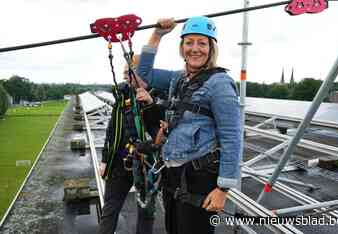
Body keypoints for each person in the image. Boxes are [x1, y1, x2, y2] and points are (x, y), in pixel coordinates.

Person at [136, 16, 241, 234]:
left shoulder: (220, 84)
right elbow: (142, 77)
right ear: (182, 47)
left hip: (199, 178)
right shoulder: (179, 79)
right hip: (173, 174)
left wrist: (223, 189)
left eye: (202, 43)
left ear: (211, 48)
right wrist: (157, 35)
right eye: (189, 42)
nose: (195, 49)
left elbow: (232, 137)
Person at [98, 55, 159, 234]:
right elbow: (112, 131)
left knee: (146, 212)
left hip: (145, 164)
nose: (125, 76)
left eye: (128, 73)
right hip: (119, 162)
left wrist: (150, 104)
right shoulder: (121, 95)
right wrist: (104, 160)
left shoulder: (158, 94)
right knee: (110, 209)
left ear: (143, 74)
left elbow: (161, 130)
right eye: (124, 72)